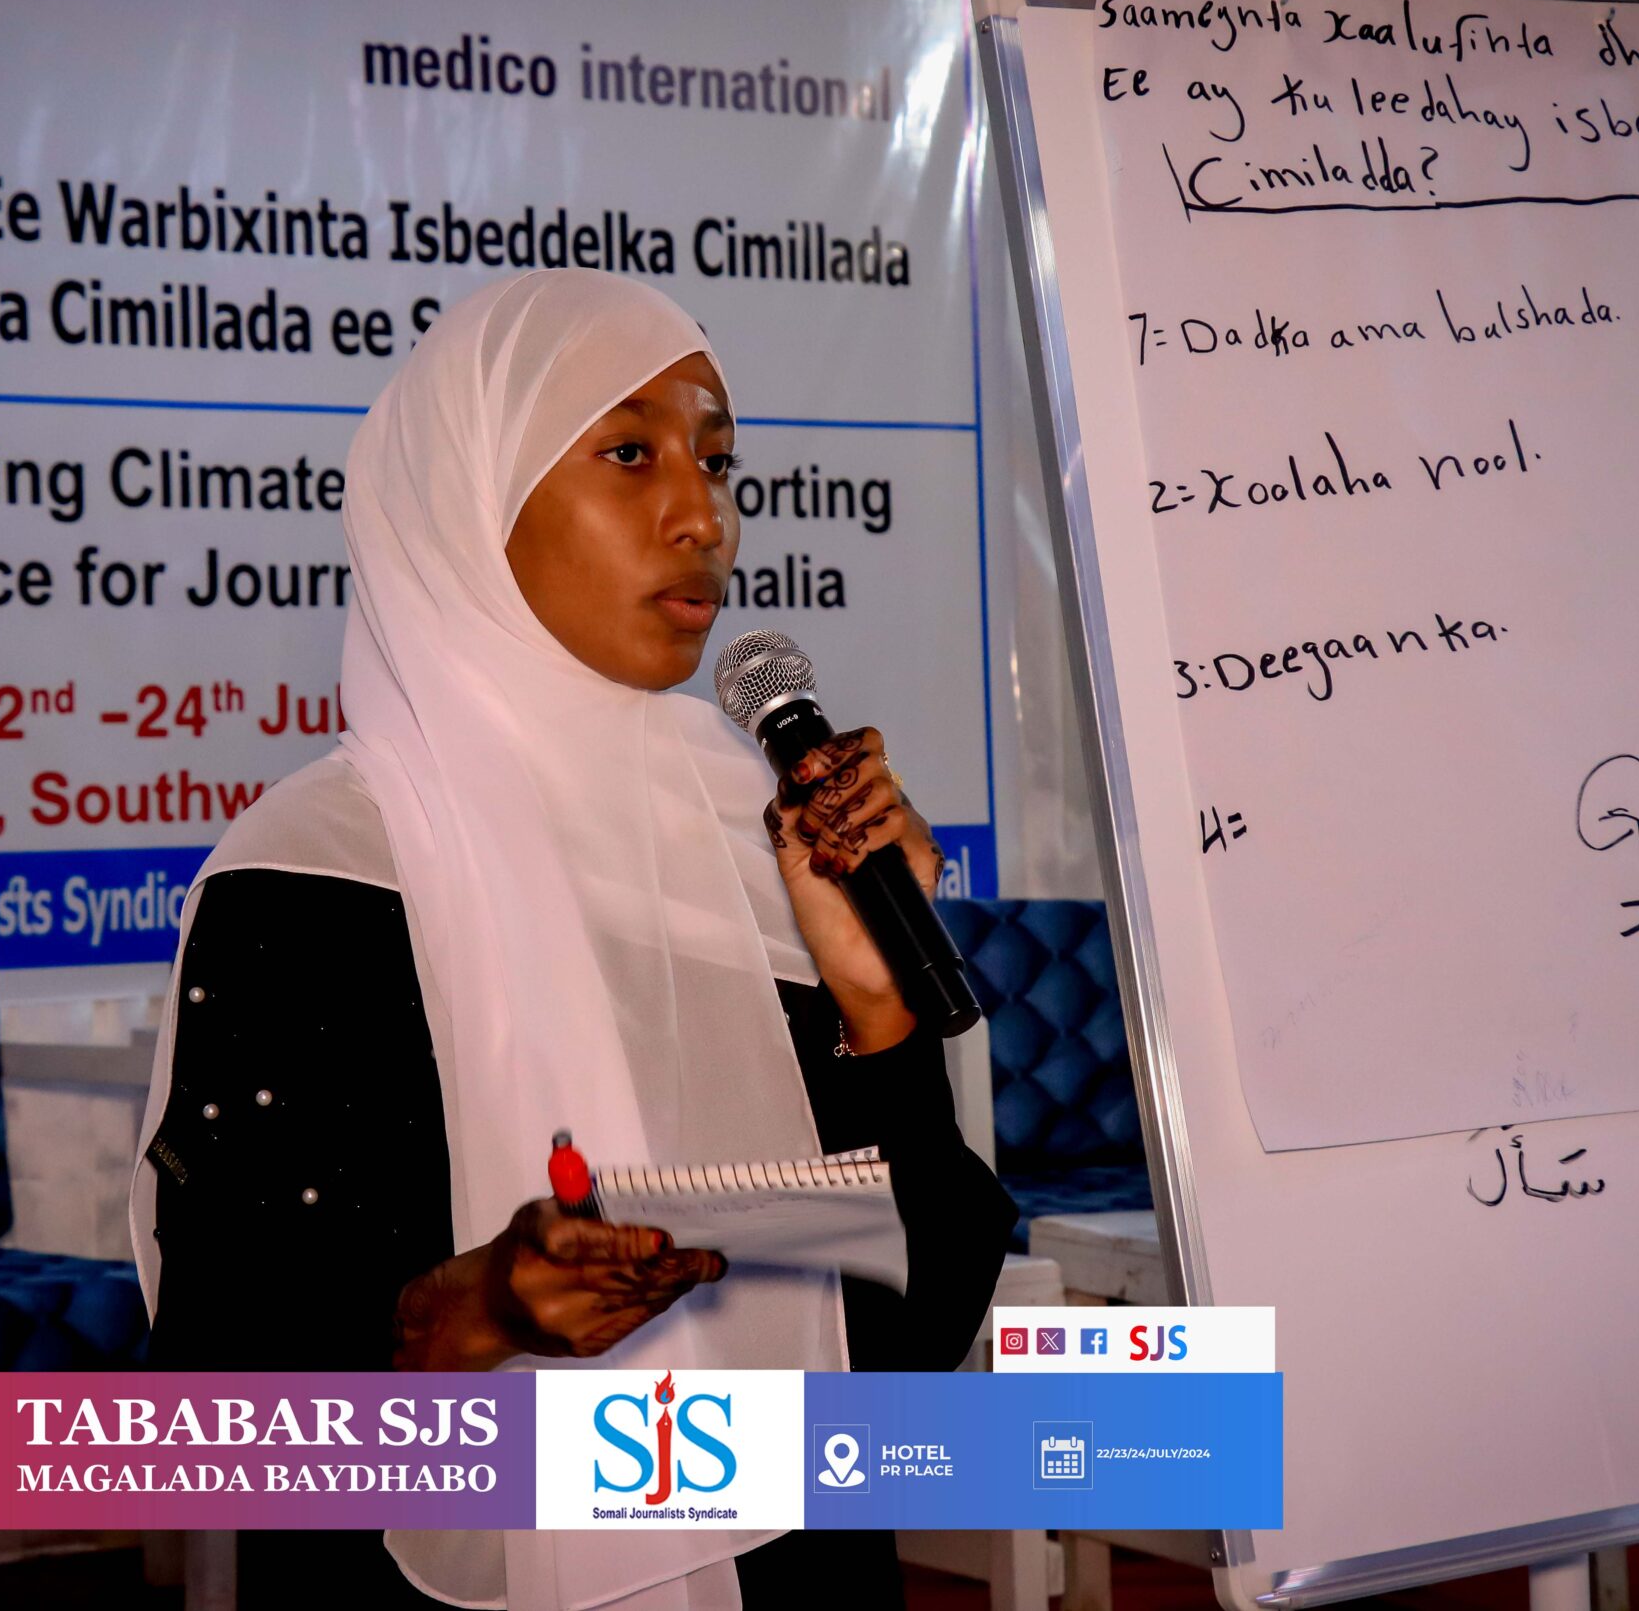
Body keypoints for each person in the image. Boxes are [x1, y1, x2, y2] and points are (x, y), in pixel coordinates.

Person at [126, 268, 1016, 1610]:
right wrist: (470, 1312)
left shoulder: (771, 850)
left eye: (719, 463)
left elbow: (916, 1329)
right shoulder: (317, 878)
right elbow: (225, 1378)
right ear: (471, 503)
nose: (699, 517)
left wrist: (878, 1011)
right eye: (629, 454)